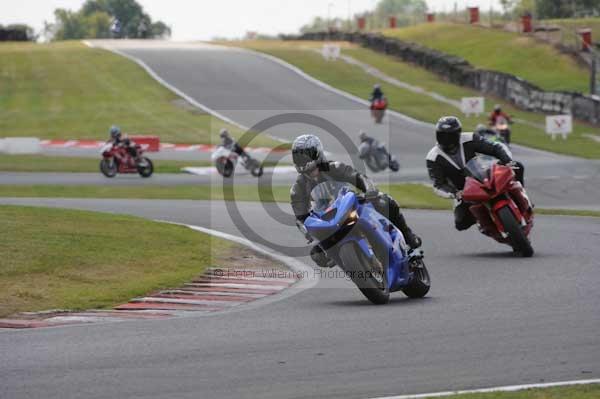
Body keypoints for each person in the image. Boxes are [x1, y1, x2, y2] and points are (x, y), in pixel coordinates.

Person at [290, 134, 421, 268]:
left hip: (350, 206)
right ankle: (354, 270)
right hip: (328, 223)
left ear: (317, 154)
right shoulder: (298, 189)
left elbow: (358, 177)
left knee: (385, 201)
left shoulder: (334, 167)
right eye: (299, 157)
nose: (303, 161)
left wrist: (370, 190)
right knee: (317, 254)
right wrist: (311, 235)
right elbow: (301, 218)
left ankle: (408, 237)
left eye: (305, 156)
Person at [426, 116, 527, 232]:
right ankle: (484, 223)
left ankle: (521, 196)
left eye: (450, 136)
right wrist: (455, 193)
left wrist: (508, 161)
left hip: (484, 175)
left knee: (517, 166)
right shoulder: (433, 157)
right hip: (464, 191)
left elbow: (495, 148)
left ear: (458, 134)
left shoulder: (469, 138)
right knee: (460, 224)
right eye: (442, 136)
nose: (446, 140)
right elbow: (438, 185)